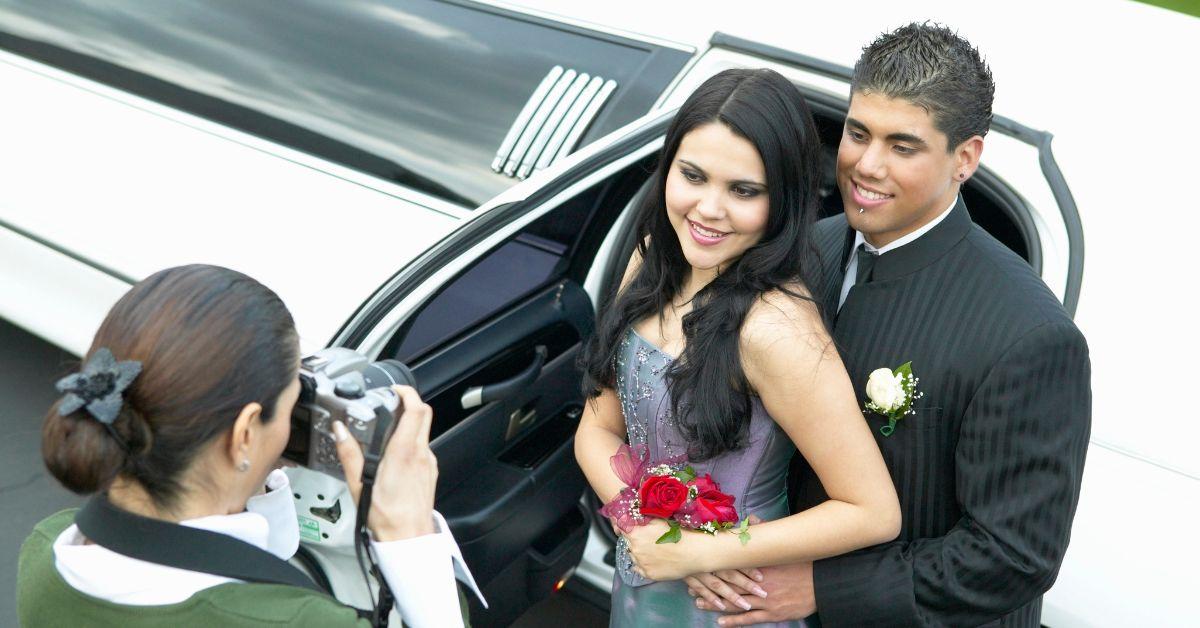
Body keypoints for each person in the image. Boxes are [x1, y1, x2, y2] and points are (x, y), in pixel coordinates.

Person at [691, 23, 1092, 627]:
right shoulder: (793, 256)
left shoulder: (1029, 335)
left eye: (902, 146)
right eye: (858, 133)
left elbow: (1013, 554)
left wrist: (823, 589)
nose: (865, 166)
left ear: (965, 158)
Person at [574, 68, 902, 627]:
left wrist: (704, 552)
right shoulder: (651, 260)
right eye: (693, 176)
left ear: (783, 199)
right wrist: (650, 529)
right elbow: (595, 430)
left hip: (733, 609)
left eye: (743, 190)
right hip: (644, 589)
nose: (708, 209)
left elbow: (872, 512)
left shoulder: (775, 329)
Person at [17, 264, 481, 627]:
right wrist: (409, 535)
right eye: (294, 399)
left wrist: (252, 476)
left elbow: (250, 565)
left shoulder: (46, 552)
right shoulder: (302, 621)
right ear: (243, 433)